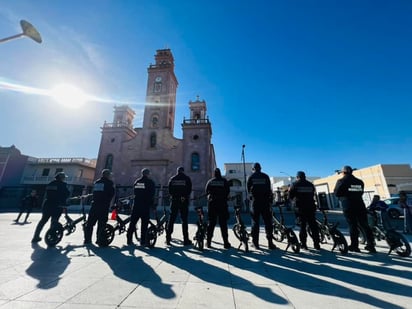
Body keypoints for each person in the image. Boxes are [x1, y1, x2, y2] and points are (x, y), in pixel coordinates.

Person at [333, 165, 376, 253]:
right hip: (360, 205)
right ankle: (371, 245)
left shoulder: (342, 181)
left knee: (353, 225)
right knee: (365, 225)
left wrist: (344, 196)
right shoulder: (359, 182)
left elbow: (336, 193)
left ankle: (354, 246)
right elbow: (360, 192)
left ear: (343, 172)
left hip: (348, 205)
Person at [31, 172, 70, 243]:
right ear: (61, 178)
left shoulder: (50, 184)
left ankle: (36, 236)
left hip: (47, 204)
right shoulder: (62, 185)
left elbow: (48, 194)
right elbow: (66, 194)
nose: (64, 179)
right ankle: (52, 237)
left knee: (43, 221)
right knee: (54, 221)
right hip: (57, 205)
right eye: (64, 178)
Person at [247, 162, 276, 250]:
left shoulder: (251, 177)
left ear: (253, 169)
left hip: (255, 202)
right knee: (268, 222)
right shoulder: (266, 176)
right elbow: (269, 190)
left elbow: (248, 190)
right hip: (265, 202)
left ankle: (255, 244)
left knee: (255, 223)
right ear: (260, 168)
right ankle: (270, 243)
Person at [288, 171, 320, 250]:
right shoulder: (310, 184)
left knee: (302, 226)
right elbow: (312, 194)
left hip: (300, 208)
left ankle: (304, 244)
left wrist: (293, 202)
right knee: (313, 226)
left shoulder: (294, 184)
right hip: (310, 207)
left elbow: (290, 196)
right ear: (305, 176)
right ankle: (317, 244)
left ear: (297, 177)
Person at [84, 169, 115, 245]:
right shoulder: (109, 183)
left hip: (94, 205)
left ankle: (87, 239)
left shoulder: (97, 182)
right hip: (103, 206)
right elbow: (111, 193)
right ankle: (99, 239)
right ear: (107, 175)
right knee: (102, 223)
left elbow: (95, 193)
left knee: (90, 223)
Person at [127, 168, 156, 246]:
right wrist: (152, 205)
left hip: (136, 205)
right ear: (148, 174)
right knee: (144, 224)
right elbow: (151, 195)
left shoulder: (137, 182)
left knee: (132, 223)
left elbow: (135, 192)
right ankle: (143, 240)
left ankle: (129, 239)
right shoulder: (150, 182)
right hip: (145, 205)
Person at [205, 168, 231, 249]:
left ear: (214, 174)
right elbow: (228, 191)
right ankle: (226, 243)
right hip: (222, 204)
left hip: (212, 205)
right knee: (223, 224)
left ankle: (208, 242)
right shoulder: (224, 181)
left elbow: (206, 192)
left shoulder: (210, 181)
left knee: (211, 223)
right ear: (220, 173)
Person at [166, 166, 192, 245]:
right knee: (184, 220)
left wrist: (174, 196)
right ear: (183, 171)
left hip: (174, 201)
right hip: (183, 201)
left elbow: (169, 190)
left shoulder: (172, 179)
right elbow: (189, 190)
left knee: (171, 219)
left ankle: (168, 238)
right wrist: (184, 196)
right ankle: (186, 239)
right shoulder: (187, 179)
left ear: (177, 171)